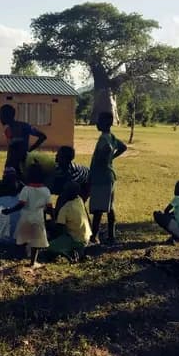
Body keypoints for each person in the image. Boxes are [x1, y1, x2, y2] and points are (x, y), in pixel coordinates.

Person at [1, 164, 51, 267]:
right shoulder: (46, 191)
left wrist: (9, 210)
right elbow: (49, 207)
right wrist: (54, 218)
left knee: (21, 238)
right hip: (38, 219)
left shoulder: (26, 189)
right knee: (36, 242)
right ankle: (33, 262)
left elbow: (21, 204)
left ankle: (16, 256)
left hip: (25, 217)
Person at [88, 112, 127, 245]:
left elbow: (106, 150)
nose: (97, 123)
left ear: (106, 123)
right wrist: (111, 158)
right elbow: (123, 147)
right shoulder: (111, 136)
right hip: (109, 176)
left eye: (99, 121)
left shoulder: (104, 139)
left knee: (98, 210)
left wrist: (105, 159)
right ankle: (111, 235)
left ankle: (94, 236)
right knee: (110, 207)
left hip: (101, 177)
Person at [46, 181, 92, 261]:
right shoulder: (79, 200)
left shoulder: (65, 209)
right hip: (86, 236)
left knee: (49, 247)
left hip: (75, 239)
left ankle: (69, 252)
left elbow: (59, 229)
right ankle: (76, 250)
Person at [0, 104, 47, 179]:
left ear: (7, 115)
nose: (0, 118)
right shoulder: (8, 130)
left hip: (20, 164)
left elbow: (42, 136)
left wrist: (29, 150)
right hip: (12, 164)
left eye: (1, 115)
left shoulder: (24, 127)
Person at [50, 146, 90, 213]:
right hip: (77, 184)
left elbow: (71, 189)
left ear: (65, 159)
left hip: (86, 185)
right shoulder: (58, 168)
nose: (56, 155)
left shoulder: (72, 172)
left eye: (59, 155)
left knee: (76, 206)